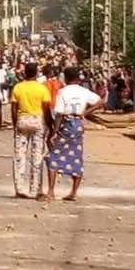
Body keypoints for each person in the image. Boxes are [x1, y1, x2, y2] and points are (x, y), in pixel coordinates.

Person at [45, 67, 103, 201]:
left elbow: (59, 114)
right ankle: (73, 192)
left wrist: (54, 132)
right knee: (77, 156)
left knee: (53, 156)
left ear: (65, 78)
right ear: (78, 78)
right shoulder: (84, 91)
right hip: (78, 125)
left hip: (66, 124)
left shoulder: (62, 92)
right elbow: (100, 101)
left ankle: (51, 191)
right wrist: (85, 113)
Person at [10, 63, 52, 200]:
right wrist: (50, 127)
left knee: (19, 156)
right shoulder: (42, 89)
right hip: (37, 121)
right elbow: (46, 108)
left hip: (22, 120)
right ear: (37, 73)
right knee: (37, 156)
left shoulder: (18, 87)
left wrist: (15, 124)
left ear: (24, 73)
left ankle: (19, 189)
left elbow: (14, 108)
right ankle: (36, 189)